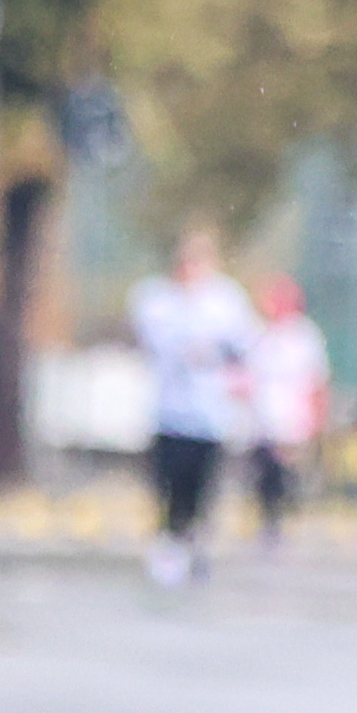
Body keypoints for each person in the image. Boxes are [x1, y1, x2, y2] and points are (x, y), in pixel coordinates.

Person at [128, 230, 259, 586]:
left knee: (201, 487)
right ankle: (169, 543)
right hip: (170, 412)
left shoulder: (227, 301)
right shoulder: (157, 299)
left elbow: (245, 346)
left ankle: (194, 544)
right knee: (169, 483)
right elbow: (151, 341)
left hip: (209, 415)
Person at [245, 272, 330, 545]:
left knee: (286, 472)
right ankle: (268, 520)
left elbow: (316, 379)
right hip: (261, 417)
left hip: (292, 418)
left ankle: (283, 518)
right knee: (264, 471)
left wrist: (316, 418)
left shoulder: (305, 335)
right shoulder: (256, 332)